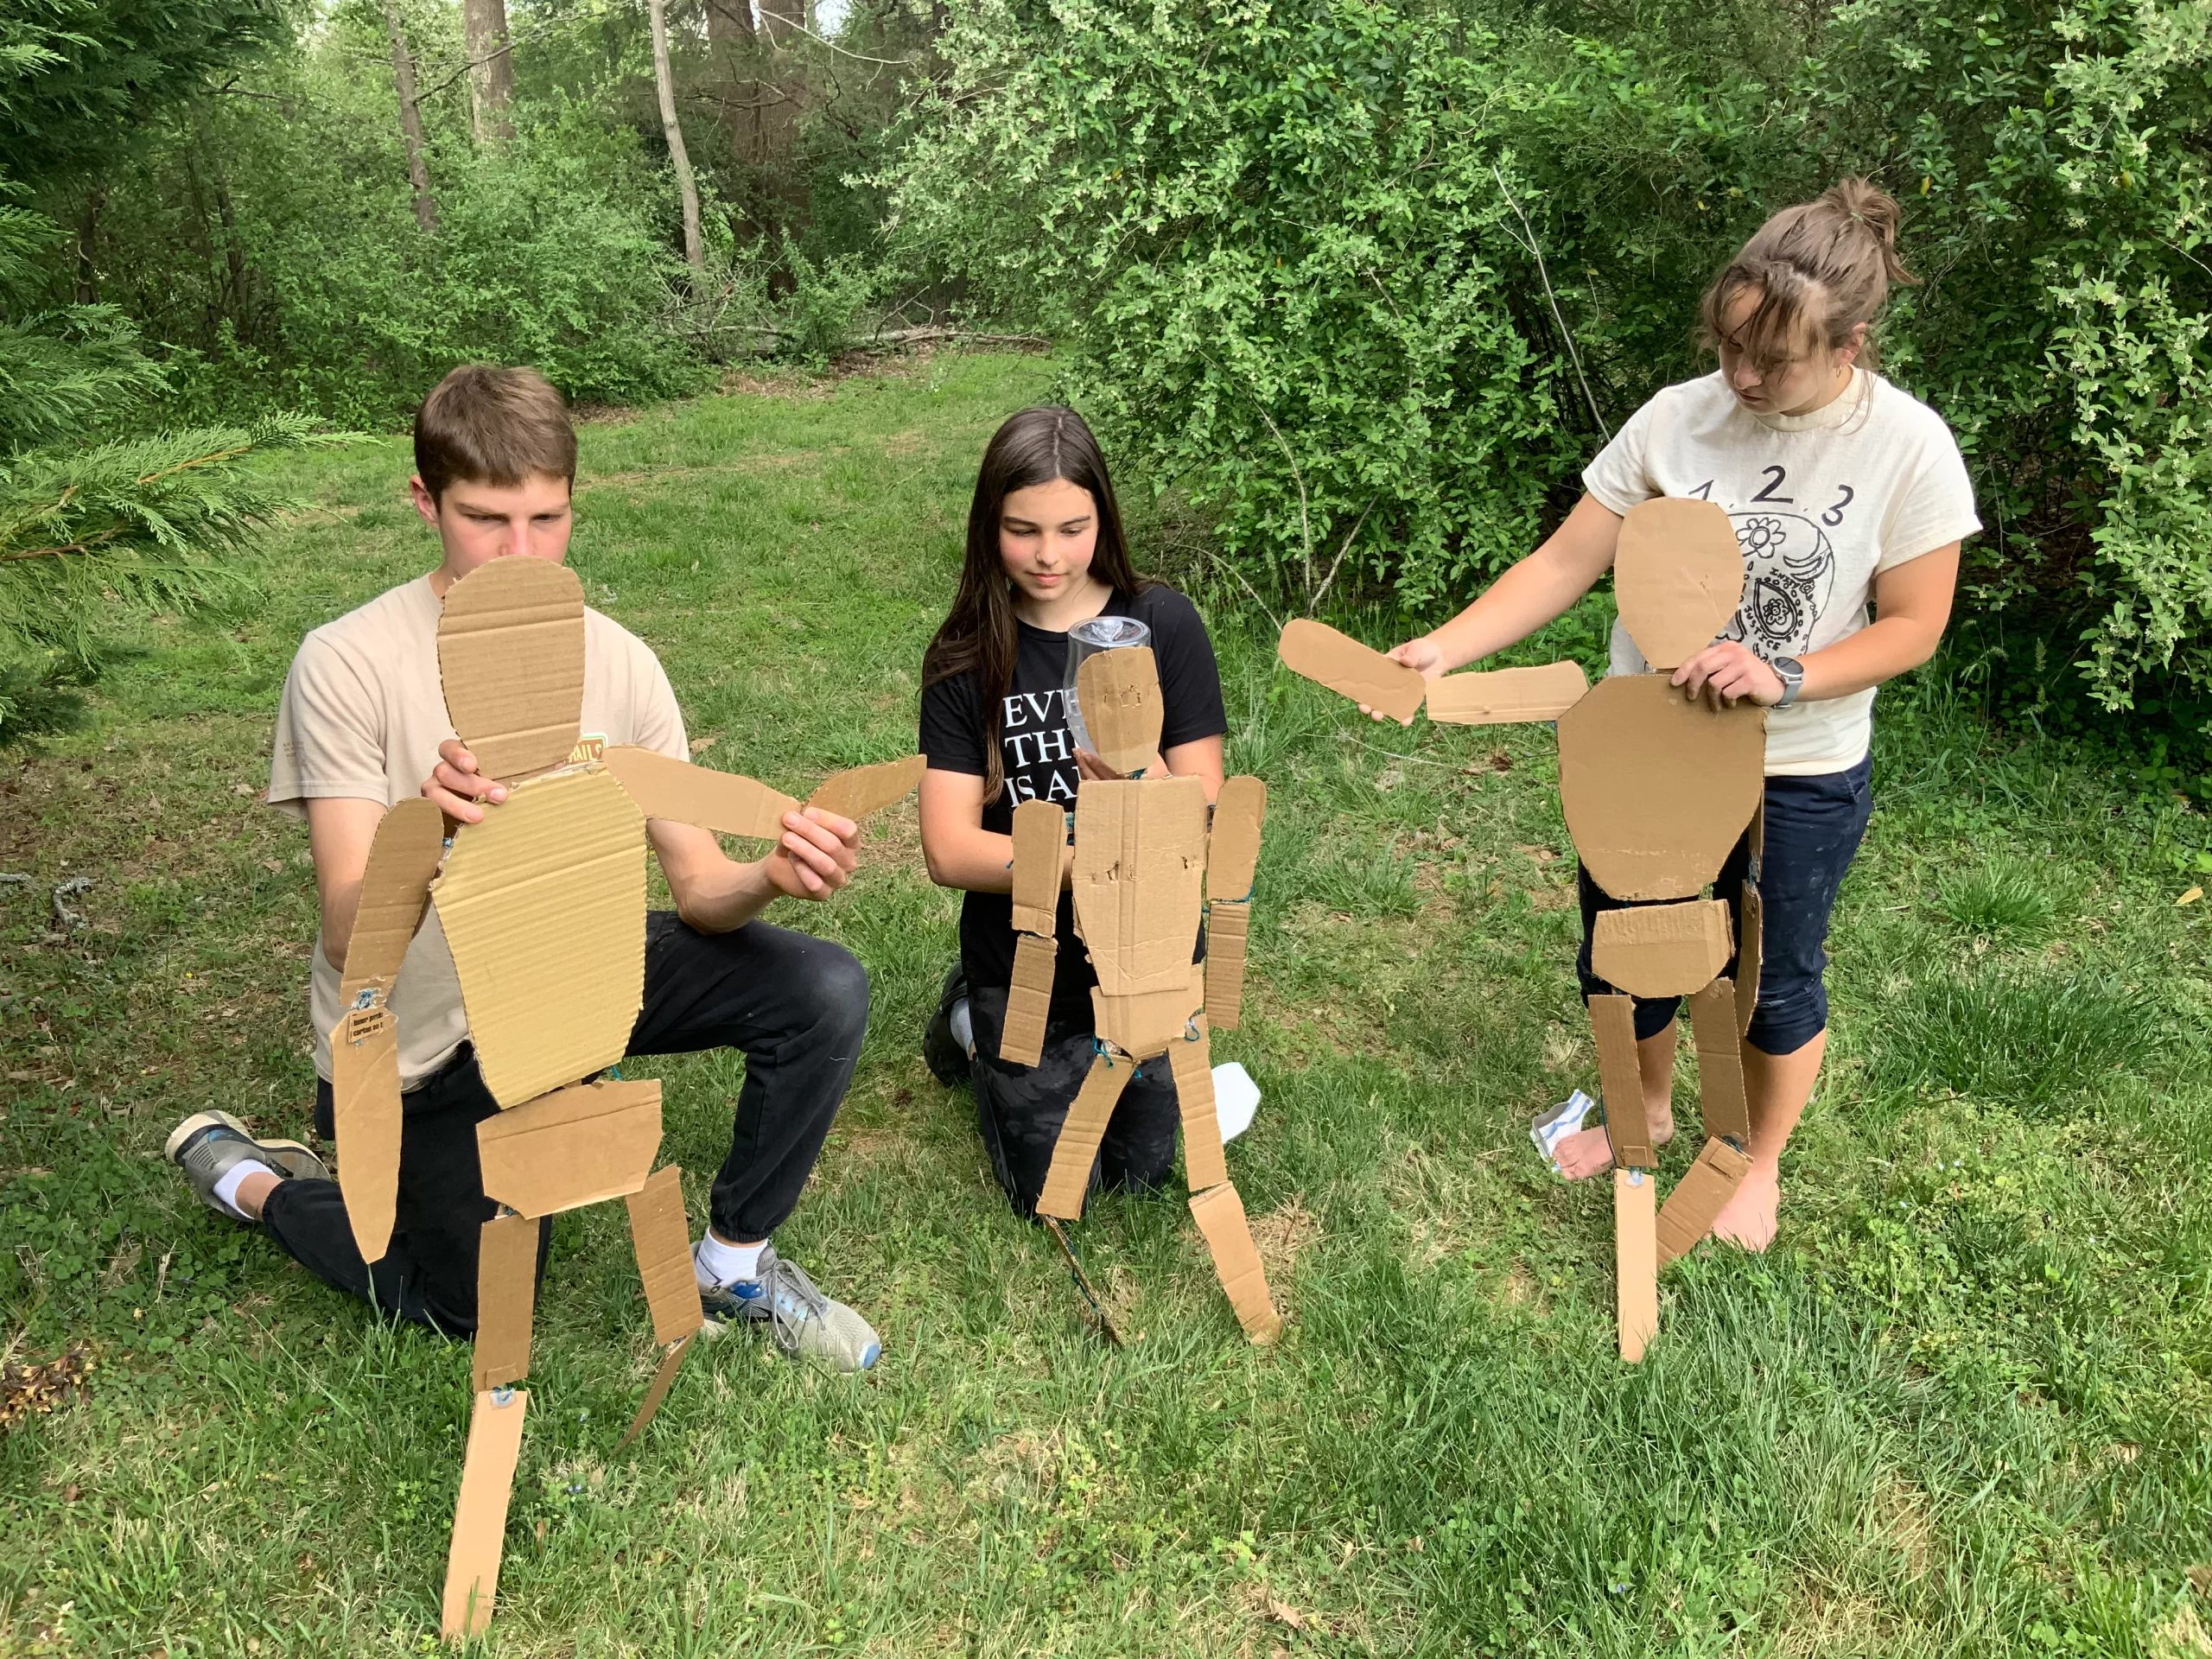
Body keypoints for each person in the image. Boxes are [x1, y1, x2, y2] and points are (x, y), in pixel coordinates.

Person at [164, 364, 882, 1369]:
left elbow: (698, 891)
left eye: (546, 519)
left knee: (822, 988)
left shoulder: (617, 659)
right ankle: (257, 1182)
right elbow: (342, 928)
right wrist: (434, 831)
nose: (519, 552)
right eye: (486, 518)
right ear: (425, 501)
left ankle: (734, 1262)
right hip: (424, 1040)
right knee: (467, 1308)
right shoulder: (347, 662)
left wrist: (769, 875)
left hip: (572, 989)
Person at [1376, 179, 1980, 1248]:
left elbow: (1913, 625)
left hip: (1799, 767)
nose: (1742, 377)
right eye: (1730, 345)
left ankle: (1752, 1161)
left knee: (1772, 975)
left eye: (1773, 360)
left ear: (1850, 343)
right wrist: (1445, 646)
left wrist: (1781, 672)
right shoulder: (1674, 414)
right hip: (1647, 758)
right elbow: (1568, 558)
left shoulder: (1908, 446)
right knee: (1625, 945)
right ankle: (1644, 1110)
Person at [917, 405, 1228, 1217]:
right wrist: (1091, 862)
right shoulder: (965, 655)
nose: (1048, 556)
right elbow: (949, 851)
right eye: (1022, 530)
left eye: (1071, 528)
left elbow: (1206, 810)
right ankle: (966, 1020)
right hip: (1028, 958)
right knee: (1056, 1193)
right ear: (991, 526)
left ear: (1103, 520)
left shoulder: (1162, 625)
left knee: (1144, 1173)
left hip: (1146, 952)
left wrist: (1146, 782)